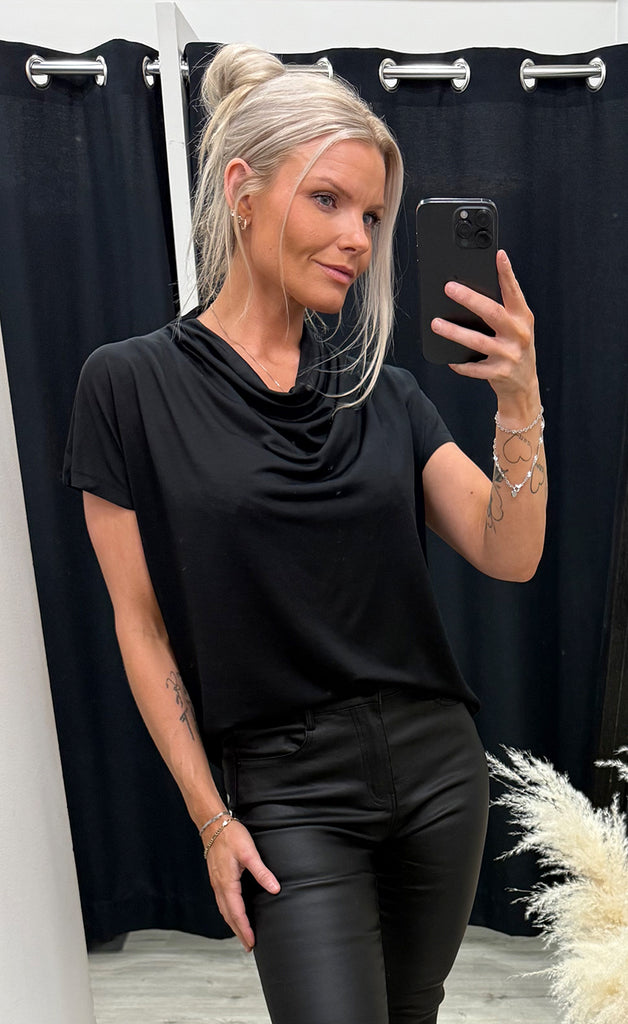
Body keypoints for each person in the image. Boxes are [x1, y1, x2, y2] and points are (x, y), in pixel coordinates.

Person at [63, 43, 546, 1024]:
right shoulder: (128, 385)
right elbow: (139, 624)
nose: (356, 238)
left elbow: (511, 551)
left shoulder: (385, 394)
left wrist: (519, 401)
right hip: (287, 788)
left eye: (370, 215)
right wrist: (212, 818)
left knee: (410, 1011)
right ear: (242, 189)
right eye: (327, 200)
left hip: (438, 772)